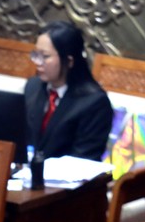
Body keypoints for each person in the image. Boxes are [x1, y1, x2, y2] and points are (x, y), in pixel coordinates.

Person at [25, 21, 113, 161]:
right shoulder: (33, 86)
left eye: (45, 56)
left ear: (69, 61)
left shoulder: (94, 102)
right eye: (36, 54)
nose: (37, 62)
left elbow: (84, 158)